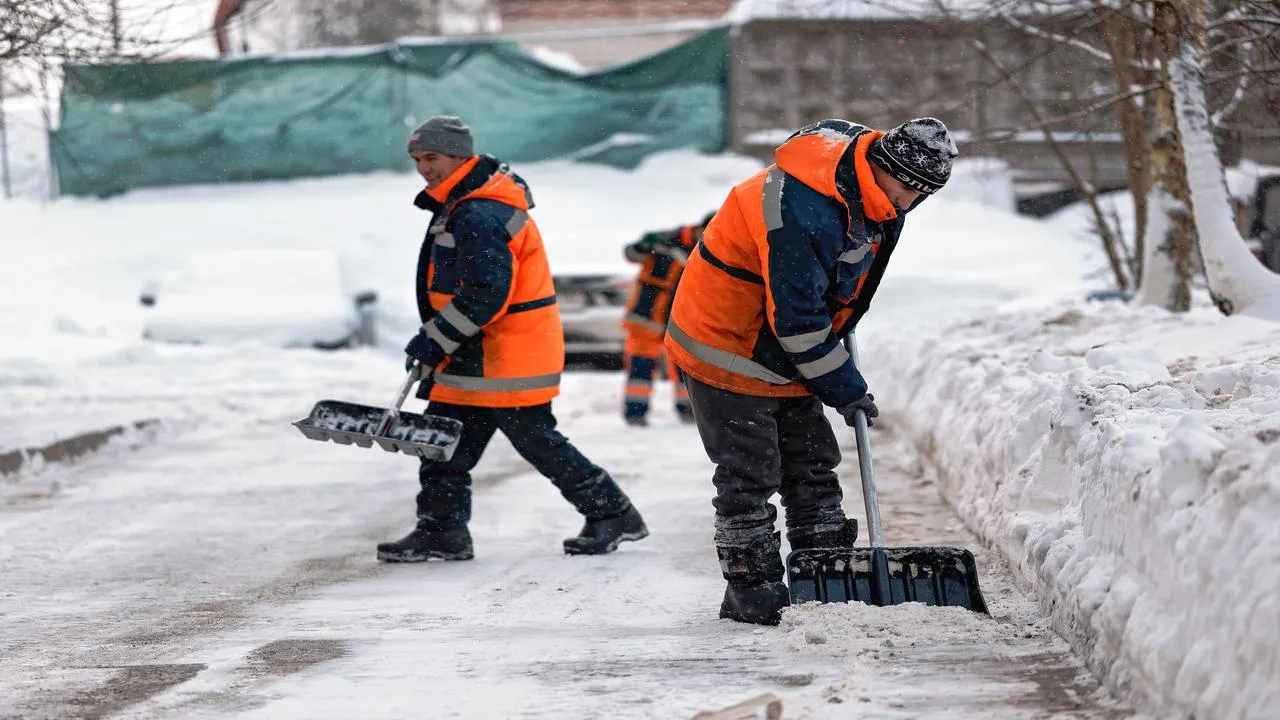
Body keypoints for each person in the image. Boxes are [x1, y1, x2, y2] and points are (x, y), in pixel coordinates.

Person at [664, 118, 958, 625]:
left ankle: (824, 568)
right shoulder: (802, 211)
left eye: (922, 194)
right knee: (749, 471)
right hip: (728, 340)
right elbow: (798, 322)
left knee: (811, 461)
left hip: (783, 340)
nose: (911, 202)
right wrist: (843, 386)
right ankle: (751, 588)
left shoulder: (868, 188)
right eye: (909, 189)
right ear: (885, 169)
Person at [378, 115, 649, 562]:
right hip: (476, 353)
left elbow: (486, 292)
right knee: (443, 445)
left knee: (535, 441)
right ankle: (442, 531)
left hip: (503, 355)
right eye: (418, 159)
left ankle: (613, 513)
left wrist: (435, 339)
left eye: (433, 157)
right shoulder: (465, 204)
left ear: (459, 156)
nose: (424, 168)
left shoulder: (479, 212)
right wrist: (439, 341)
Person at [619, 213, 714, 426]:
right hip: (646, 318)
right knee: (640, 368)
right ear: (701, 228)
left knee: (683, 367)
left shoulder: (710, 250)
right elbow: (631, 254)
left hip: (679, 320)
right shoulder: (666, 241)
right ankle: (635, 413)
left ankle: (687, 410)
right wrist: (643, 246)